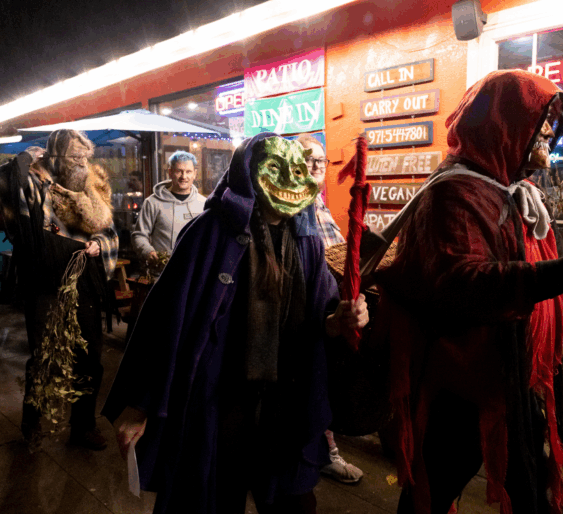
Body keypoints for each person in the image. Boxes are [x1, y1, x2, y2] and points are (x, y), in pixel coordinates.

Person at [373, 70, 563, 514]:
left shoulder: (514, 190)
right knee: (434, 489)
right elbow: (459, 285)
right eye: (540, 119)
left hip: (513, 370)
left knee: (531, 485)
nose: (549, 132)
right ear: (503, 122)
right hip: (463, 377)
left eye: (552, 122)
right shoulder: (455, 194)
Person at [102, 133, 369, 514]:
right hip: (220, 402)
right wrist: (141, 404)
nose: (290, 179)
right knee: (211, 497)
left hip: (283, 403)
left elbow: (321, 315)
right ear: (249, 173)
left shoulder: (306, 240)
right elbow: (166, 320)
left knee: (293, 503)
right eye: (275, 168)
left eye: (297, 170)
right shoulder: (209, 233)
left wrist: (339, 320)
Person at [0, 129, 119, 451]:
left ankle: (83, 426)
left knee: (89, 357)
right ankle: (32, 423)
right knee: (44, 356)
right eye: (74, 156)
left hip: (85, 280)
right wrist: (23, 160)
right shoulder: (36, 182)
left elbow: (110, 232)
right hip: (45, 282)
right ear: (56, 156)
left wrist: (98, 244)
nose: (81, 162)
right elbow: (6, 187)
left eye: (85, 156)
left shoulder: (93, 186)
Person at [296, 133, 364, 485]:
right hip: (303, 316)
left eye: (319, 161)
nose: (314, 166)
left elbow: (336, 252)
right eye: (306, 160)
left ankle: (322, 451)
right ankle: (322, 454)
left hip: (328, 307)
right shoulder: (291, 207)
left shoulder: (319, 206)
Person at [132, 150, 206, 270]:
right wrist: (148, 251)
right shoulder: (152, 202)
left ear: (195, 174)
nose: (184, 177)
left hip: (195, 273)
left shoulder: (204, 204)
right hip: (162, 273)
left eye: (188, 172)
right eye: (179, 171)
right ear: (170, 172)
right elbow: (139, 236)